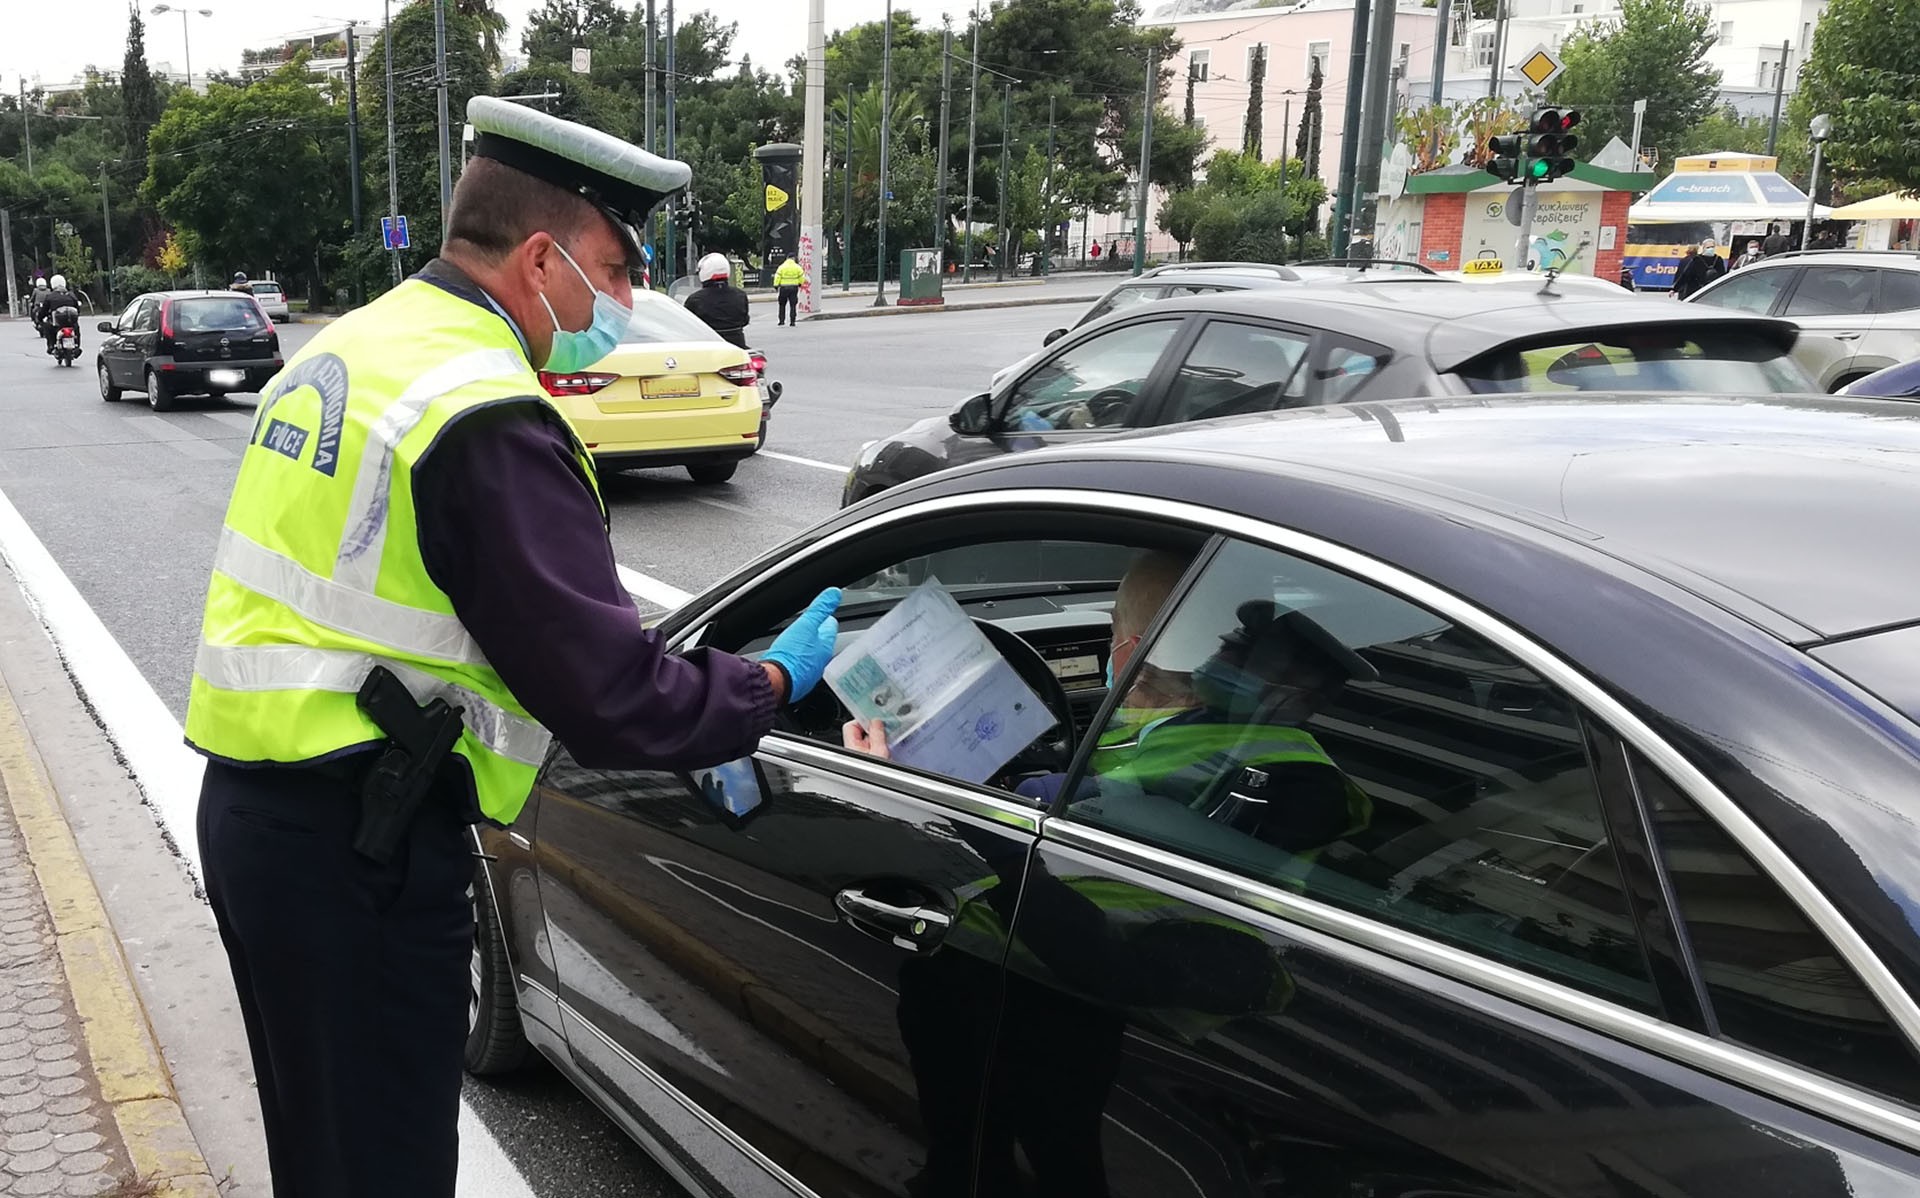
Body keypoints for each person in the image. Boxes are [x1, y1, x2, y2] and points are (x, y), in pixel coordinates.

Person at [183, 94, 842, 1197]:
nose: (623, 304)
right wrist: (765, 683)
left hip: (262, 820)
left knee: (323, 1153)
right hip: (362, 853)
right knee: (381, 1169)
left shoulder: (351, 347)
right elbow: (608, 692)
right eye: (616, 270)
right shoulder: (482, 409)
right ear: (542, 258)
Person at [683, 250, 749, 348]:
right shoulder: (740, 295)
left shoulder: (695, 299)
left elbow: (687, 324)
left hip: (709, 346)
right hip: (737, 345)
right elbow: (745, 320)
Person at [33, 274, 80, 354]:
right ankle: (77, 346)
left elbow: (44, 310)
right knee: (76, 328)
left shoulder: (50, 296)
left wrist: (40, 319)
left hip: (57, 323)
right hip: (70, 322)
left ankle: (51, 345)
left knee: (47, 327)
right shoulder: (71, 295)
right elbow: (77, 308)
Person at [771, 254, 803, 326]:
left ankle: (781, 321)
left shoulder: (782, 267)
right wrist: (800, 283)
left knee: (782, 304)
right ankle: (792, 321)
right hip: (794, 288)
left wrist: (776, 285)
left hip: (783, 288)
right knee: (793, 305)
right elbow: (801, 276)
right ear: (793, 258)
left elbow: (777, 276)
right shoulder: (797, 267)